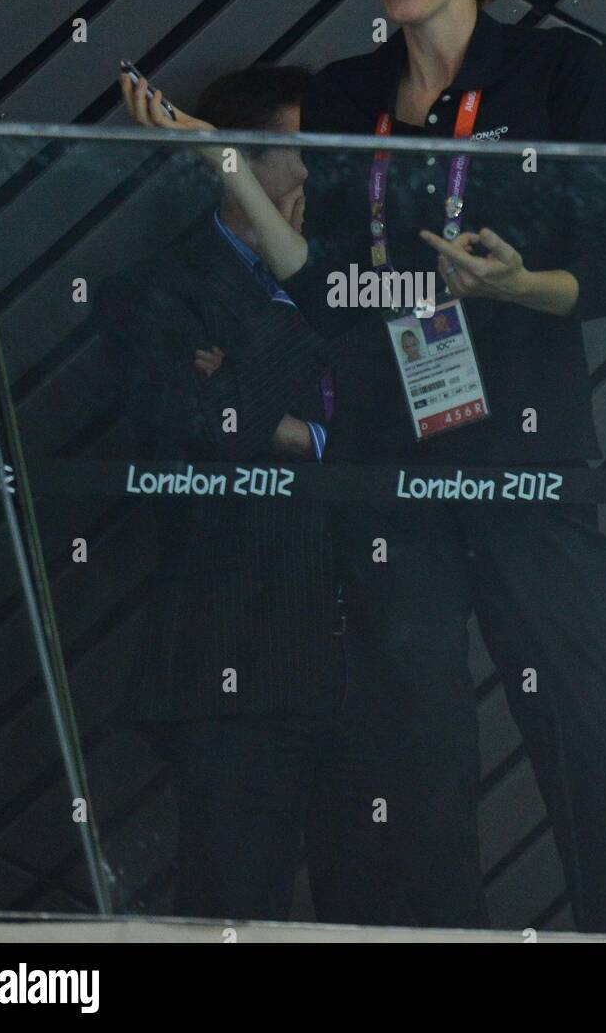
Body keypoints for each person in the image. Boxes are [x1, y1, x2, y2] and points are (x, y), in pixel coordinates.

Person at [268, 0, 606, 933]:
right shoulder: (346, 96)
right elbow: (332, 290)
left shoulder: (556, 75)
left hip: (525, 460)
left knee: (578, 728)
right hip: (391, 463)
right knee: (415, 743)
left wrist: (515, 282)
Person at [94, 65, 399, 924]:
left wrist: (291, 427)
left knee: (386, 912)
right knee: (233, 906)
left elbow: (422, 427)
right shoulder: (153, 294)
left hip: (384, 657)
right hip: (240, 656)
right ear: (238, 161)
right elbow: (212, 427)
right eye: (303, 149)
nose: (318, 173)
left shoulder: (371, 281)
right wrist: (291, 304)